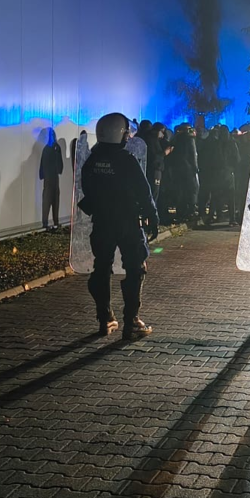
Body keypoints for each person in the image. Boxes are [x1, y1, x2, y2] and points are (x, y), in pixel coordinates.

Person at [79, 112, 160, 338]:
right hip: (128, 223)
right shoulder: (126, 160)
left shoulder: (92, 160)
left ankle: (105, 318)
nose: (128, 137)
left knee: (101, 268)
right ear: (119, 134)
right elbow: (144, 192)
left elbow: (87, 188)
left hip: (102, 222)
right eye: (126, 134)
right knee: (135, 268)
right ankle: (131, 321)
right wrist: (153, 217)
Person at [39, 127, 64, 231]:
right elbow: (58, 165)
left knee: (53, 200)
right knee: (50, 200)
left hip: (51, 178)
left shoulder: (50, 148)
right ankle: (47, 222)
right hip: (50, 179)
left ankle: (53, 222)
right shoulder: (52, 148)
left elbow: (58, 164)